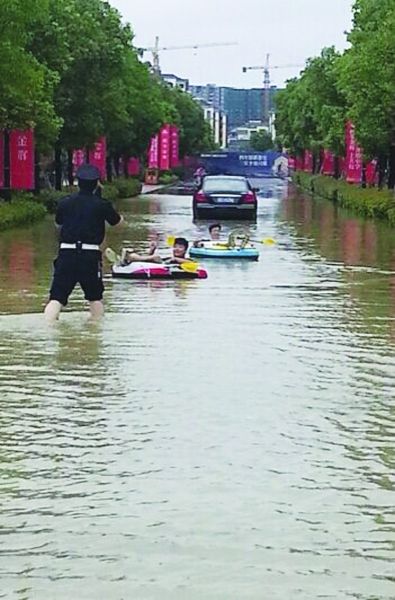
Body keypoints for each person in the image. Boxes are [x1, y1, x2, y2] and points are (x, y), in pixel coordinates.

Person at [44, 164, 123, 323]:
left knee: (57, 298)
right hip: (90, 256)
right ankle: (96, 334)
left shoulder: (65, 202)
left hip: (66, 254)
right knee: (95, 298)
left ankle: (48, 329)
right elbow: (119, 224)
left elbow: (58, 225)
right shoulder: (102, 204)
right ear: (97, 183)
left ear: (77, 182)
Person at [119, 237, 192, 266]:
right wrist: (152, 250)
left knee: (155, 257)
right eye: (175, 247)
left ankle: (128, 259)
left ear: (185, 250)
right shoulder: (169, 258)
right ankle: (128, 259)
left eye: (180, 247)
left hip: (161, 264)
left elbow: (192, 263)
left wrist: (176, 259)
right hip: (160, 263)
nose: (177, 249)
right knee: (135, 255)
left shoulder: (187, 260)